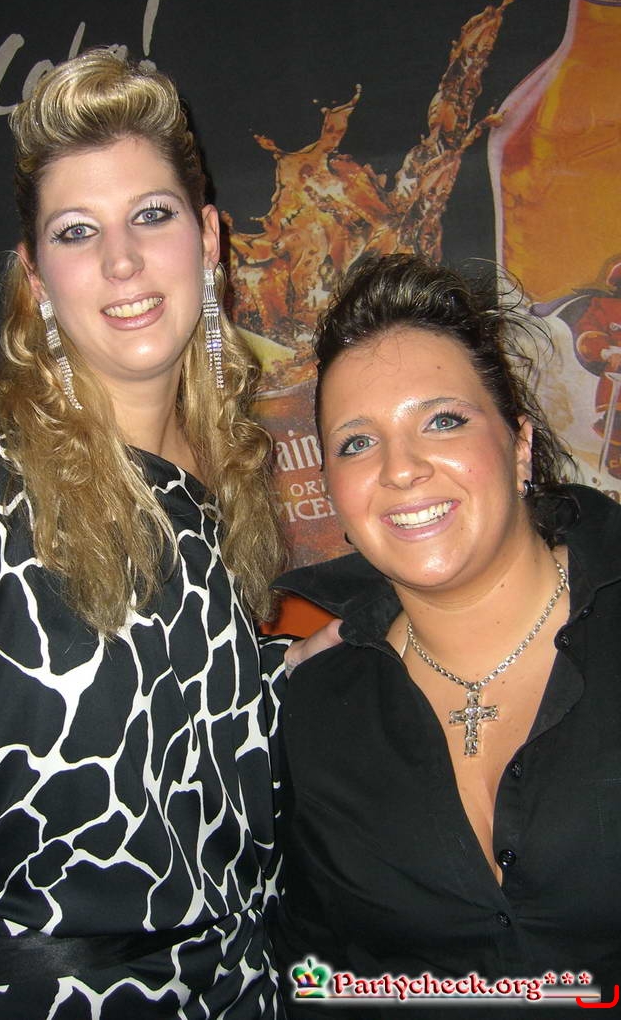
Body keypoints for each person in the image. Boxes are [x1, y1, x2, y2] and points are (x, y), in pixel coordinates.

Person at [0, 47, 325, 1020]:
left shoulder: (231, 492)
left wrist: (308, 671)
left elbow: (201, 781)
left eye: (152, 215)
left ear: (208, 238)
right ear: (36, 275)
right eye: (76, 231)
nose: (121, 261)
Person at [272, 254, 621, 1016]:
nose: (400, 469)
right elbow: (316, 977)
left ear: (520, 445)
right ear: (331, 488)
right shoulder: (317, 711)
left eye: (442, 421)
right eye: (356, 443)